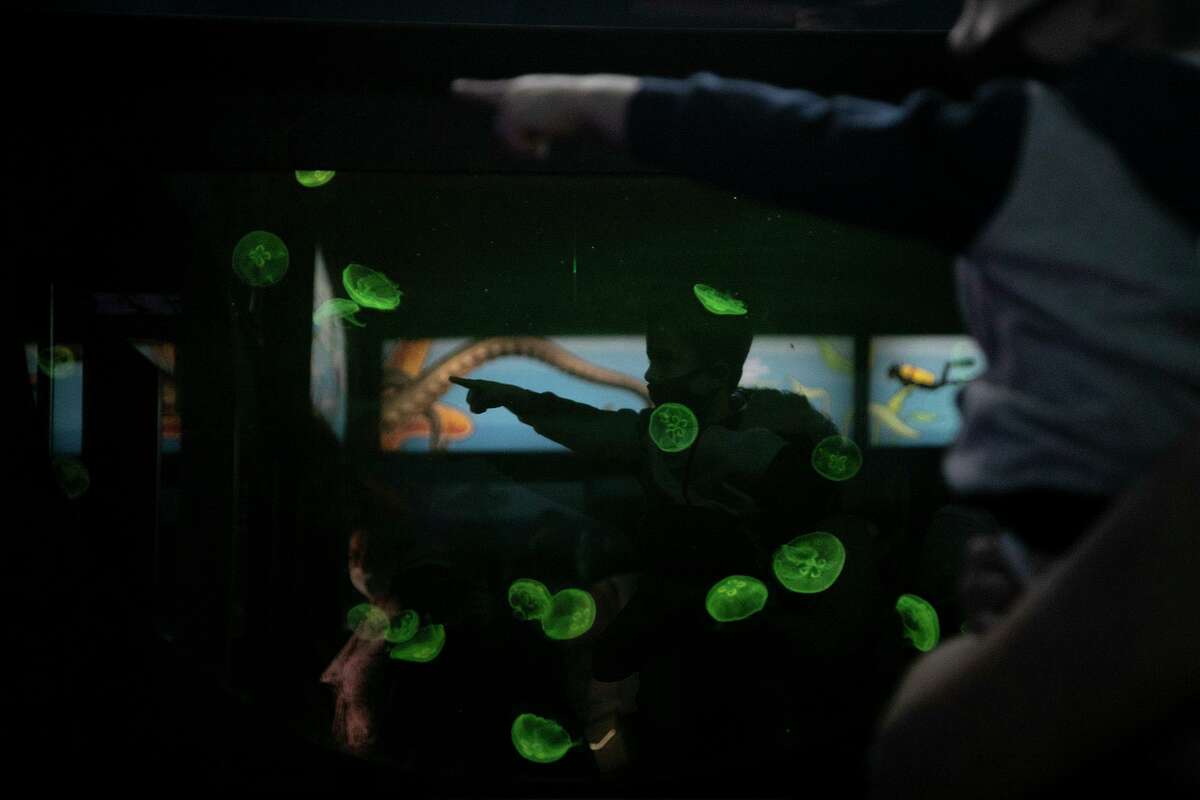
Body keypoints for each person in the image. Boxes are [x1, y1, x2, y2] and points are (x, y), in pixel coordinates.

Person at [450, 0, 1200, 626]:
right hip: (1112, 539)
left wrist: (585, 101)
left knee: (918, 752)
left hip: (1111, 547)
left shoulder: (1043, 140)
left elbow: (804, 141)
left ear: (1108, 11)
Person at [450, 285, 842, 773]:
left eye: (665, 361)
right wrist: (515, 398)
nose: (651, 376)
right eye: (651, 359)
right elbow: (590, 427)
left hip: (745, 650)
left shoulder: (770, 452)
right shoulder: (656, 441)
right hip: (671, 637)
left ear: (718, 375)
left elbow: (823, 524)